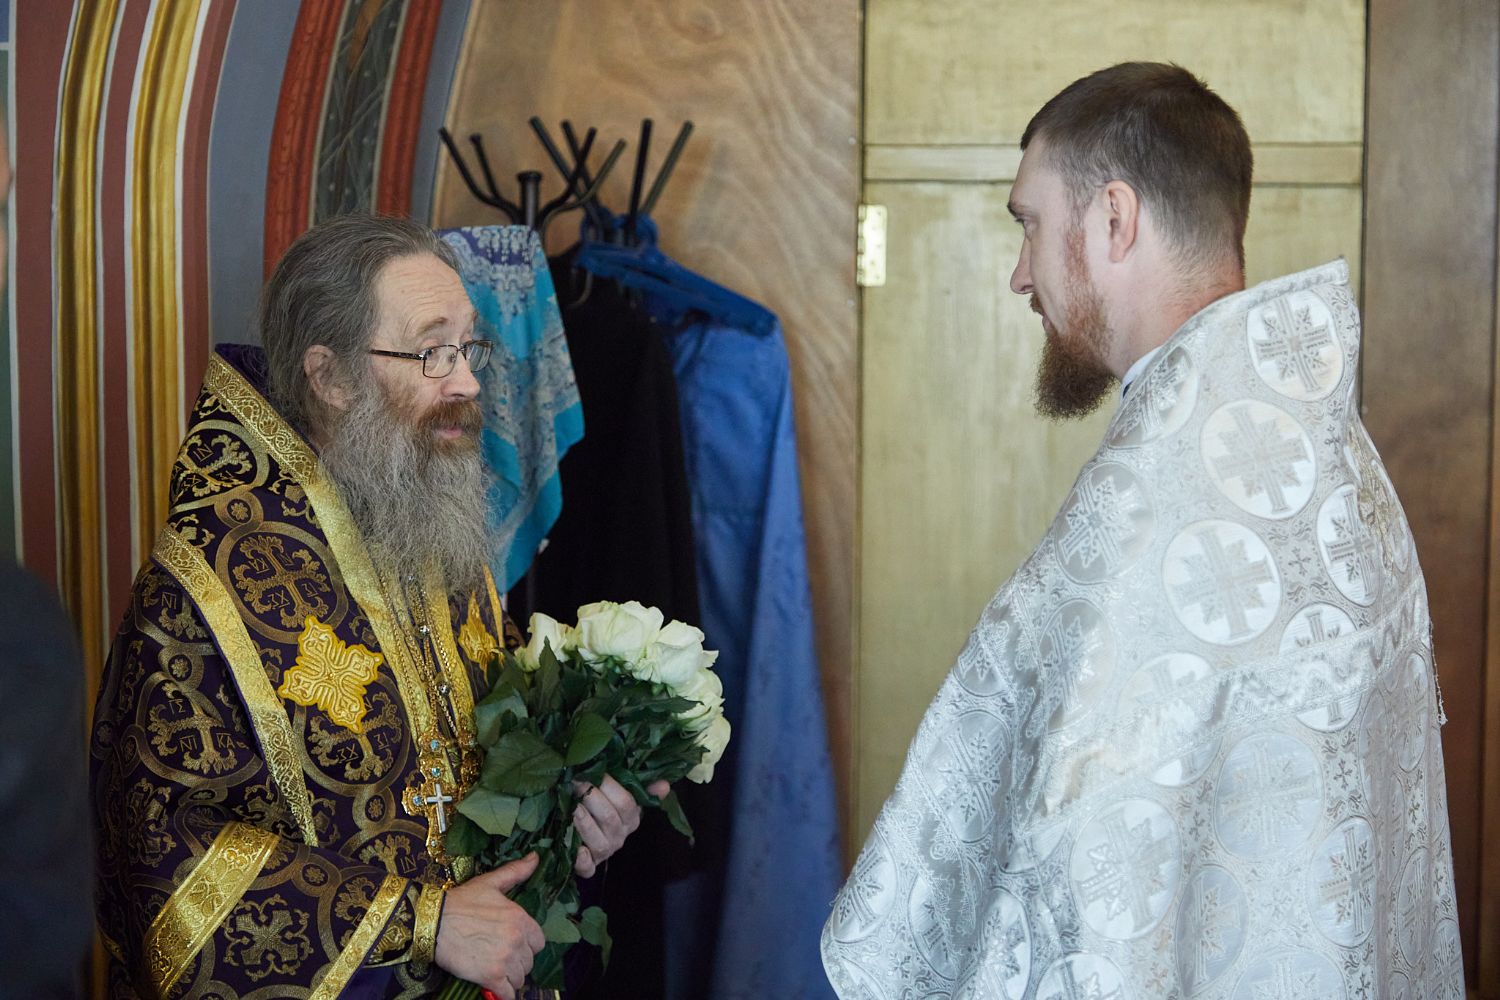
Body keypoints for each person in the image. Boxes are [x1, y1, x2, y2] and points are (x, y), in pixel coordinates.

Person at [822, 63, 1464, 998]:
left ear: (1114, 218)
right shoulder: (1329, 462)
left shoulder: (1157, 502)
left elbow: (1081, 871)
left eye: (1029, 224)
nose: (1019, 274)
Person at [90, 214, 662, 1000]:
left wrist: (574, 819)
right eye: (431, 352)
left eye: (468, 347)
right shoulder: (210, 588)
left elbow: (484, 773)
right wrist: (422, 923)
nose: (467, 383)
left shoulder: (430, 522)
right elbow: (162, 863)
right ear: (330, 378)